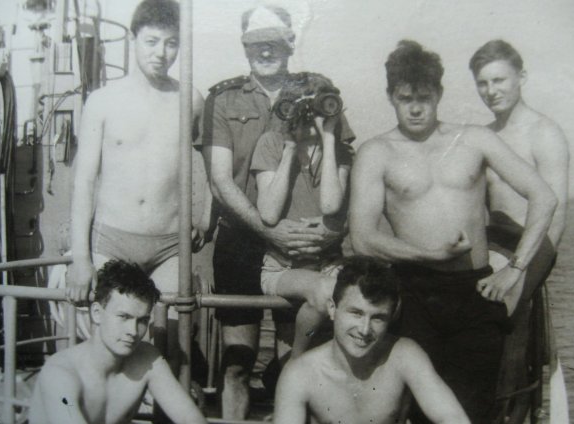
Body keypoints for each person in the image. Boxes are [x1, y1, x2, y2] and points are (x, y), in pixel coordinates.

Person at [349, 40, 556, 424]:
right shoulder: (376, 152)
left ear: (439, 94)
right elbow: (362, 237)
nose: (415, 108)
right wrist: (430, 255)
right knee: (420, 412)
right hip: (413, 294)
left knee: (474, 412)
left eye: (424, 98)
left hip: (475, 292)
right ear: (390, 96)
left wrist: (515, 268)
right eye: (405, 98)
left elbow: (543, 196)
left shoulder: (474, 139)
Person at [198, 5, 355, 419]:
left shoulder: (318, 91)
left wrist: (331, 230)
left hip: (301, 244)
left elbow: (342, 170)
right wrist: (270, 232)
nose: (265, 51)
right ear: (243, 45)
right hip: (241, 240)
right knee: (237, 363)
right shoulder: (222, 98)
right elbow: (220, 181)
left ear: (290, 42)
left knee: (293, 359)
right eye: (255, 43)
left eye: (273, 41)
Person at [66, 0, 206, 369]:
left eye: (171, 43)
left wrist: (202, 217)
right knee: (109, 346)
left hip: (170, 245)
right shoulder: (102, 102)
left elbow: (202, 163)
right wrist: (80, 258)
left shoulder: (190, 100)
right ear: (133, 40)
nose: (161, 53)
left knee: (170, 341)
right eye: (152, 41)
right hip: (113, 240)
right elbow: (84, 183)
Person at [469, 39, 569, 417]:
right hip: (494, 245)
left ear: (521, 77)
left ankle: (507, 412)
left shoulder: (544, 132)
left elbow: (555, 216)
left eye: (499, 80)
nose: (491, 91)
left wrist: (521, 272)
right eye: (482, 83)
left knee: (500, 312)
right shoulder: (483, 136)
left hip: (533, 245)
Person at [273, 256, 470, 424]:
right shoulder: (301, 373)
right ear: (332, 309)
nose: (365, 330)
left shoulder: (404, 355)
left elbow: (453, 418)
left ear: (391, 318)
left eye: (378, 318)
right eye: (356, 313)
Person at [29, 260, 207, 424]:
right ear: (96, 313)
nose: (133, 331)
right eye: (123, 317)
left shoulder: (146, 358)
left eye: (142, 320)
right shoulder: (60, 374)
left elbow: (191, 419)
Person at [251, 72, 353, 358]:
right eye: (299, 106)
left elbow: (330, 205)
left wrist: (329, 140)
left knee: (330, 338)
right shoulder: (271, 143)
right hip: (282, 268)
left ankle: (296, 364)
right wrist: (290, 148)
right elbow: (269, 213)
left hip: (328, 266)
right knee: (324, 295)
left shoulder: (341, 151)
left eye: (315, 105)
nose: (308, 114)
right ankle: (296, 362)